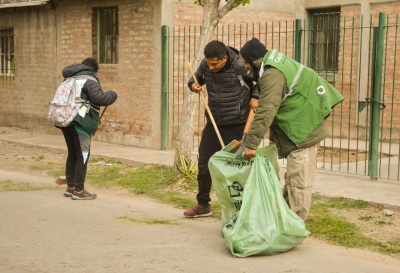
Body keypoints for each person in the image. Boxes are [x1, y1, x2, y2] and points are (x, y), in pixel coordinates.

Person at [240, 38, 344, 220]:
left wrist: (251, 144)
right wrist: (273, 135)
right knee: (293, 179)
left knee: (299, 182)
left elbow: (267, 109)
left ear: (253, 60)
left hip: (304, 131)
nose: (246, 67)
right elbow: (281, 103)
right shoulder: (272, 64)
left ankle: (295, 227)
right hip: (300, 125)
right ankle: (286, 221)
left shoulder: (272, 74)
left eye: (246, 63)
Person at [184, 40, 259, 217]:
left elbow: (261, 81)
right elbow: (196, 78)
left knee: (237, 168)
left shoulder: (240, 65)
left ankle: (240, 209)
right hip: (214, 121)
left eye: (214, 64)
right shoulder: (206, 64)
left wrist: (255, 96)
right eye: (208, 63)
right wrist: (193, 85)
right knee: (205, 163)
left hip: (238, 123)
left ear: (225, 58)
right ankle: (203, 204)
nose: (210, 67)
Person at [59, 58, 118, 200]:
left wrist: (95, 117)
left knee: (73, 153)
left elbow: (81, 101)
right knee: (83, 155)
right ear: (94, 70)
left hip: (66, 120)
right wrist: (112, 94)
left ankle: (71, 187)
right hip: (80, 123)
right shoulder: (89, 79)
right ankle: (79, 191)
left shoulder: (70, 79)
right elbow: (100, 99)